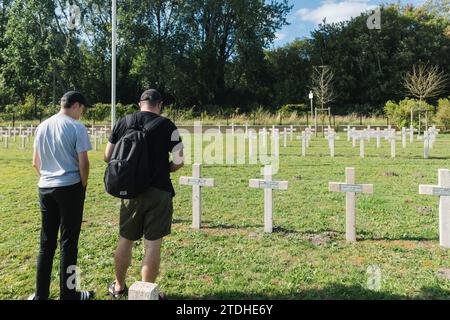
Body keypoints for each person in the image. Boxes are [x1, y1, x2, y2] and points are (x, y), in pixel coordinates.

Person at [104, 89, 184, 299]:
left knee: (125, 239)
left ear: (140, 104)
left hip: (129, 191)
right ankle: (145, 293)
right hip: (159, 191)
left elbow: (107, 156)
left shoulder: (123, 121)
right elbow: (179, 161)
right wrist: (164, 168)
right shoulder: (167, 125)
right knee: (153, 243)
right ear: (160, 105)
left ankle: (119, 286)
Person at [30, 91, 94, 300]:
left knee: (46, 244)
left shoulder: (42, 126)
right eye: (82, 110)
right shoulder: (76, 127)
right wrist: (82, 185)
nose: (81, 114)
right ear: (76, 105)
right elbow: (83, 162)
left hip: (45, 187)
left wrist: (48, 178)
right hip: (70, 187)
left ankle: (41, 295)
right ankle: (68, 294)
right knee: (69, 243)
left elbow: (35, 163)